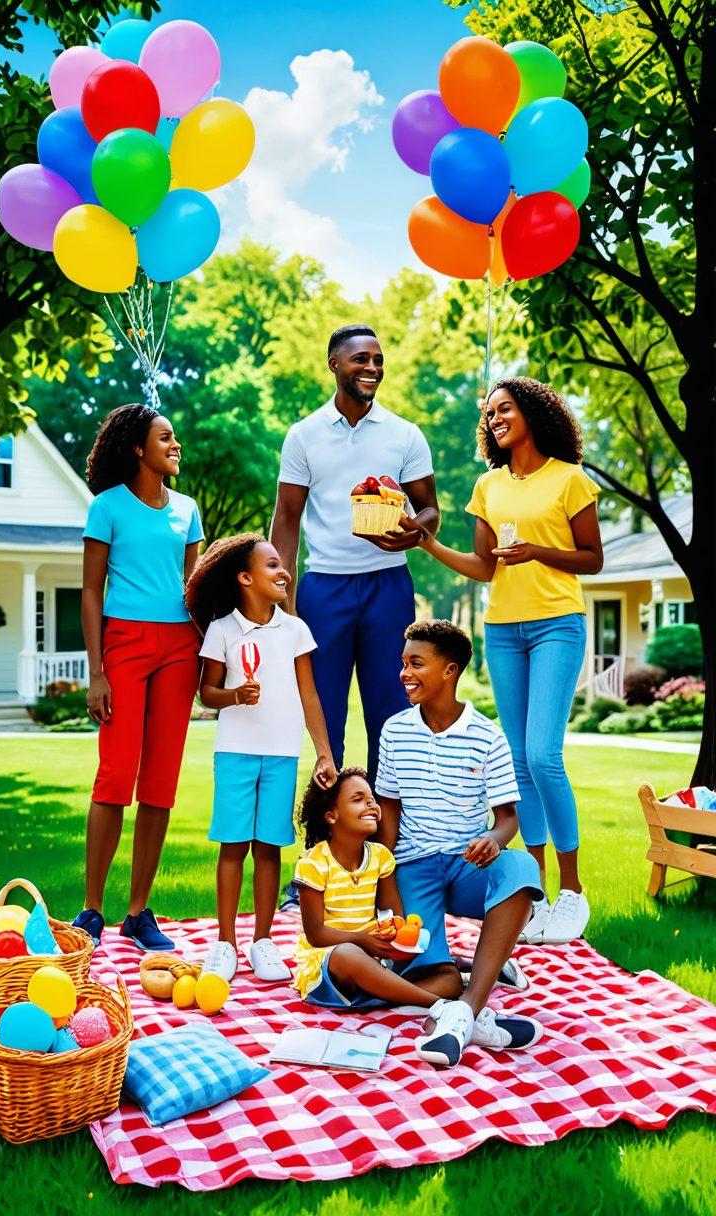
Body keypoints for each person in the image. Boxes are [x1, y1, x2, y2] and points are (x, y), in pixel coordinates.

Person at [414, 379, 603, 944]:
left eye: (506, 409)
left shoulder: (569, 479)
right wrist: (425, 544)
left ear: (533, 413)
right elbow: (483, 566)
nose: (496, 418)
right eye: (490, 413)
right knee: (519, 764)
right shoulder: (488, 485)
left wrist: (537, 552)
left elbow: (592, 559)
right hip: (503, 628)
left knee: (544, 754)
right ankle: (538, 893)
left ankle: (572, 891)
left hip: (556, 625)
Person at [270, 324, 440, 788]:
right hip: (324, 587)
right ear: (335, 365)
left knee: (392, 711)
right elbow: (286, 518)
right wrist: (283, 600)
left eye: (378, 360)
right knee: (325, 713)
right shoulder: (303, 435)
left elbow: (430, 509)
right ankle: (327, 843)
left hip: (389, 584)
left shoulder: (405, 434)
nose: (372, 368)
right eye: (360, 359)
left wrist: (415, 535)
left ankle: (386, 837)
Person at [374, 619, 545, 1067]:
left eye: (416, 663)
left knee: (523, 869)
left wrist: (493, 837)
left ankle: (466, 1011)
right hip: (413, 867)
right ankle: (472, 983)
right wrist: (384, 879)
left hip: (469, 868)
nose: (404, 673)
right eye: (403, 663)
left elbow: (508, 818)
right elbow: (387, 810)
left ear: (449, 671)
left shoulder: (487, 736)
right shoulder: (394, 730)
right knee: (436, 979)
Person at [294, 765, 542, 1069]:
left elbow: (393, 916)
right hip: (331, 964)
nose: (372, 805)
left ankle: (442, 1003)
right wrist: (364, 941)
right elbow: (316, 934)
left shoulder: (381, 858)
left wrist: (397, 936)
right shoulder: (313, 863)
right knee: (348, 954)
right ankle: (448, 1010)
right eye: (358, 799)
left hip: (374, 962)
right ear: (331, 816)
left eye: (372, 798)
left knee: (449, 979)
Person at [72, 405, 203, 951]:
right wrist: (96, 671)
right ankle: (92, 910)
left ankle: (137, 912)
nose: (175, 446)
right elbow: (90, 591)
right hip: (123, 644)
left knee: (160, 783)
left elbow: (196, 589)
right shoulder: (107, 508)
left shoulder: (188, 510)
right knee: (115, 774)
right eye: (165, 438)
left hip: (180, 647)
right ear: (137, 448)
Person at [185, 533, 336, 983]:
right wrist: (234, 695)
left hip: (281, 753)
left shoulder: (295, 630)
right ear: (245, 578)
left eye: (281, 563)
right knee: (233, 846)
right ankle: (226, 943)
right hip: (235, 752)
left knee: (269, 848)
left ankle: (263, 941)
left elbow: (309, 693)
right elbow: (206, 691)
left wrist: (324, 752)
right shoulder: (222, 629)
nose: (282, 571)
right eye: (271, 565)